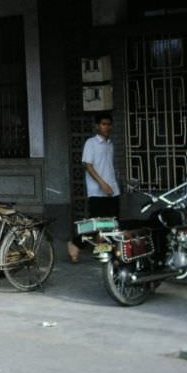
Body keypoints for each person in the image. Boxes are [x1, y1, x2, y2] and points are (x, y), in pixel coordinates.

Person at [68, 112, 120, 263]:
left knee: (111, 223)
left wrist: (113, 185)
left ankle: (102, 252)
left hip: (113, 190)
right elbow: (88, 166)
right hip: (97, 191)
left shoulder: (110, 144)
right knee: (95, 223)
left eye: (109, 124)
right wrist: (102, 184)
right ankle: (75, 244)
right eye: (103, 124)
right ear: (97, 126)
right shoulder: (90, 143)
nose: (107, 127)